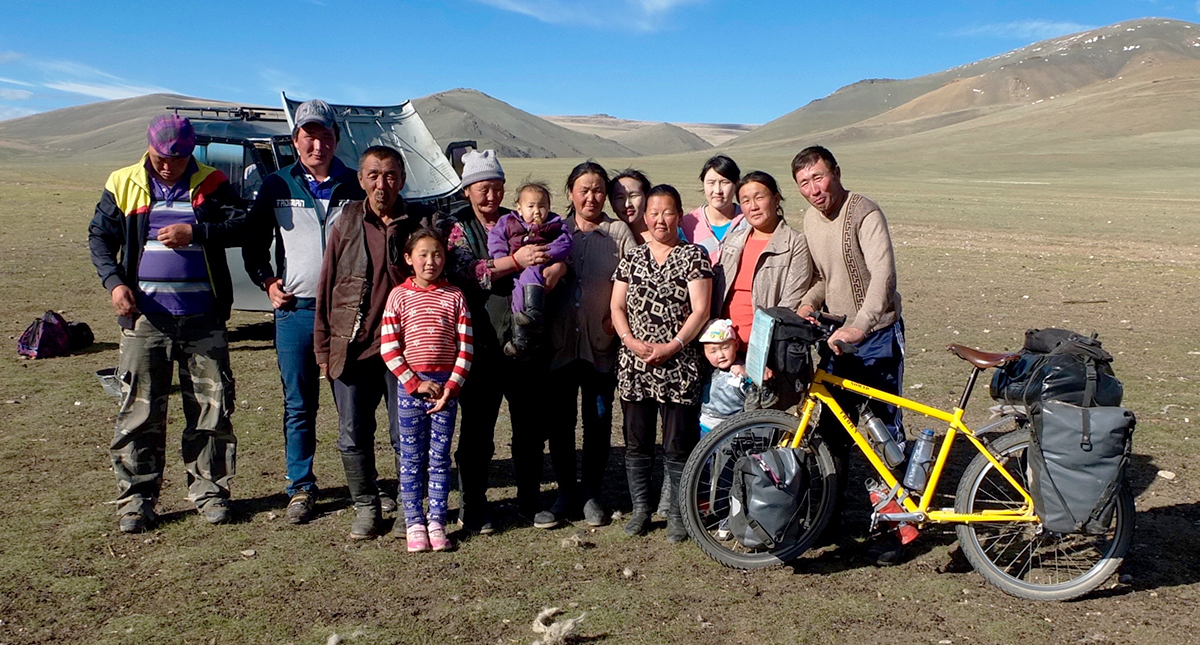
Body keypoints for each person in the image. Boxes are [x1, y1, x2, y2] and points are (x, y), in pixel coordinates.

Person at [88, 115, 245, 533]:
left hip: (203, 318)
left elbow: (241, 224)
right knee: (139, 413)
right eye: (161, 157)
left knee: (211, 411)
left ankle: (210, 492)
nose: (168, 166)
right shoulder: (123, 182)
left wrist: (196, 232)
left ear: (191, 152)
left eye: (177, 159)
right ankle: (136, 501)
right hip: (144, 320)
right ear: (149, 148)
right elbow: (99, 237)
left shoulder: (211, 182)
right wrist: (114, 283)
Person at [243, 99, 367, 525]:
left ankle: (364, 487)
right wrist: (267, 281)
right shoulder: (277, 185)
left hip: (346, 313)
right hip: (296, 311)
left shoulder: (356, 185)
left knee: (352, 404)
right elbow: (253, 241)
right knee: (299, 405)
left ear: (336, 139)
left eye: (325, 136)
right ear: (295, 141)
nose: (318, 144)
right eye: (309, 136)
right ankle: (301, 488)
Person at [439, 150, 566, 533]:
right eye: (482, 188)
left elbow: (558, 250)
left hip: (527, 342)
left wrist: (556, 265)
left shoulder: (523, 219)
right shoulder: (457, 227)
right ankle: (474, 506)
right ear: (467, 190)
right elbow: (467, 272)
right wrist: (518, 261)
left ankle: (530, 500)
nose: (490, 196)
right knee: (478, 428)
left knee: (529, 425)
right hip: (481, 342)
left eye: (496, 188)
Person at [792, 145, 906, 564]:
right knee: (833, 431)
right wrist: (807, 302)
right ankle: (828, 516)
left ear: (836, 172)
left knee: (884, 435)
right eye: (804, 183)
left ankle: (899, 529)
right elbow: (826, 277)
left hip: (876, 336)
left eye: (818, 178)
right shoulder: (809, 218)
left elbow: (883, 274)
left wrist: (862, 323)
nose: (814, 189)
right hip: (837, 334)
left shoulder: (864, 213)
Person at [314, 145, 429, 540]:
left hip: (405, 349)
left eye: (392, 175)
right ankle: (366, 504)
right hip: (352, 345)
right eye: (374, 175)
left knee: (406, 434)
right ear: (361, 179)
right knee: (352, 432)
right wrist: (323, 348)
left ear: (402, 179)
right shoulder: (346, 221)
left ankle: (409, 506)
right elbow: (327, 286)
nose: (383, 184)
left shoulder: (417, 222)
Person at [610, 184, 712, 540]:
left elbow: (701, 310)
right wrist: (629, 341)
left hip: (679, 364)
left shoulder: (694, 256)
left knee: (677, 443)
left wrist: (673, 345)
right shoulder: (632, 258)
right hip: (635, 364)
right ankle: (641, 509)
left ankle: (678, 513)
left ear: (679, 214)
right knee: (636, 441)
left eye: (667, 212)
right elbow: (616, 306)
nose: (660, 220)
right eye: (653, 212)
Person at [545, 161, 638, 528]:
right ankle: (566, 491)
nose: (591, 196)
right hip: (560, 343)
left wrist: (615, 323)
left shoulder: (619, 233)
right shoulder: (556, 230)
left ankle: (593, 493)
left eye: (598, 189)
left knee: (598, 420)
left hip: (603, 342)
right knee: (561, 422)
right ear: (570, 192)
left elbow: (635, 279)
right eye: (583, 189)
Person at [380, 228, 473, 552]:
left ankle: (436, 521)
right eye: (423, 255)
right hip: (411, 388)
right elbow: (389, 348)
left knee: (439, 457)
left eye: (436, 254)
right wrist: (415, 383)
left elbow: (465, 348)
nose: (430, 261)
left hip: (446, 391)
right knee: (411, 457)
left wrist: (451, 387)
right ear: (409, 259)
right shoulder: (398, 297)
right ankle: (414, 521)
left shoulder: (455, 296)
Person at [717, 171, 812, 406]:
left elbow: (788, 306)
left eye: (759, 197)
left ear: (776, 199)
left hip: (768, 360)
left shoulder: (794, 244)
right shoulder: (733, 241)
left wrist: (759, 358)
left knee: (761, 432)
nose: (753, 206)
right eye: (746, 200)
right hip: (726, 353)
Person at [486, 181, 572, 357]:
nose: (536, 211)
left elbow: (565, 243)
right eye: (531, 206)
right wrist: (501, 257)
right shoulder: (508, 221)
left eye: (542, 206)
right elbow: (496, 238)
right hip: (516, 270)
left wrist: (543, 253)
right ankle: (520, 333)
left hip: (540, 264)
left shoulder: (554, 224)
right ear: (519, 208)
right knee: (518, 289)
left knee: (531, 277)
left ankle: (533, 314)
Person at [681, 154, 746, 266]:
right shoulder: (687, 224)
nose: (717, 190)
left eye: (725, 182)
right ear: (703, 184)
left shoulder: (748, 222)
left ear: (736, 184)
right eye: (711, 183)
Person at [697, 319, 754, 435]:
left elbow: (755, 393)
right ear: (704, 353)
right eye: (713, 352)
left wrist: (746, 374)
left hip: (730, 430)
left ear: (736, 345)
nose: (721, 355)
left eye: (725, 348)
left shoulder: (743, 369)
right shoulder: (706, 369)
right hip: (704, 426)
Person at [608, 169, 652, 244]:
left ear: (647, 198)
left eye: (633, 196)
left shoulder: (667, 236)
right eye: (620, 198)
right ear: (612, 204)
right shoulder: (609, 240)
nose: (627, 204)